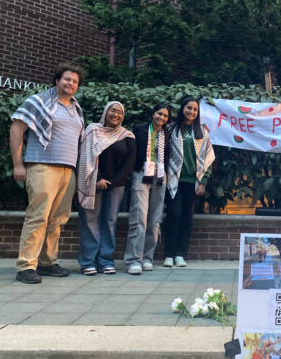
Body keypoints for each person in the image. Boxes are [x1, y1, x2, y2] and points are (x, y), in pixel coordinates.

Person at [9, 63, 85, 284]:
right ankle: (26, 266)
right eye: (67, 79)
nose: (70, 84)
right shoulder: (38, 102)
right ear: (57, 81)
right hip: (42, 166)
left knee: (58, 219)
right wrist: (18, 164)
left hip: (67, 170)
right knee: (38, 216)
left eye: (74, 81)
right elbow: (16, 129)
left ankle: (47, 262)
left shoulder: (75, 108)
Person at [76, 102, 135, 275]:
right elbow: (86, 156)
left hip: (116, 186)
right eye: (113, 110)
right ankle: (88, 262)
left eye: (120, 112)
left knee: (110, 222)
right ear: (105, 111)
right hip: (94, 182)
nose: (116, 115)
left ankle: (105, 260)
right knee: (90, 221)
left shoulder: (127, 135)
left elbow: (130, 162)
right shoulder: (93, 131)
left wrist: (113, 182)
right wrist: (99, 179)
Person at [162, 96, 215, 267]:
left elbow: (208, 158)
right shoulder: (170, 129)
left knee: (186, 218)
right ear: (182, 109)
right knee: (173, 215)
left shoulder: (202, 132)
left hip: (193, 182)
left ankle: (180, 254)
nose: (191, 112)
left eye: (195, 109)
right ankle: (169, 254)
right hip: (173, 180)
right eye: (188, 108)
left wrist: (203, 182)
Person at [124, 103, 171, 275]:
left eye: (165, 116)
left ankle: (147, 258)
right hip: (141, 174)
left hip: (160, 176)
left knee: (155, 220)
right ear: (153, 114)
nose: (162, 118)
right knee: (139, 217)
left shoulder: (167, 133)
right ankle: (134, 259)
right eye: (159, 114)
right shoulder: (140, 129)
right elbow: (132, 152)